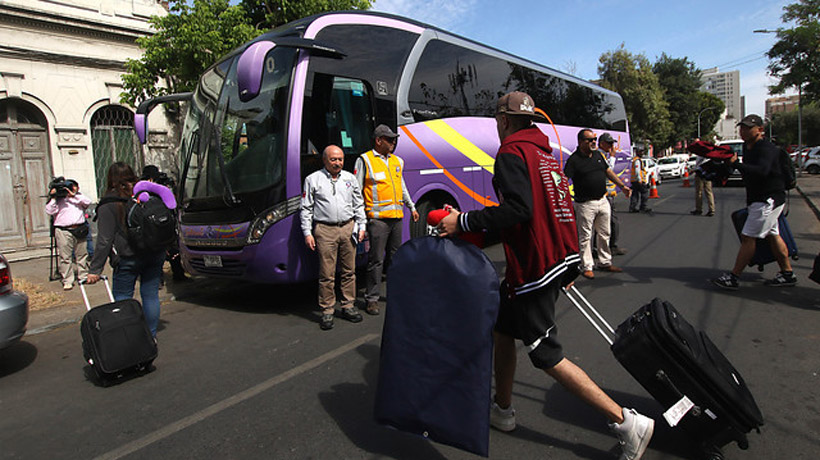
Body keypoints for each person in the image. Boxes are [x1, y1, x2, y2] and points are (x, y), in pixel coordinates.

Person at [438, 91, 654, 460]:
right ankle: (503, 409)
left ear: (504, 120)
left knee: (544, 353)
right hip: (552, 257)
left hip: (536, 266)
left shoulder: (511, 153)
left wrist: (464, 221)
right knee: (503, 331)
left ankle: (626, 422)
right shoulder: (543, 153)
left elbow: (518, 210)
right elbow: (560, 205)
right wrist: (572, 261)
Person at [711, 114, 797, 290]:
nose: (743, 131)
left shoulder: (766, 148)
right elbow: (748, 173)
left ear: (760, 130)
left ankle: (734, 277)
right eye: (742, 128)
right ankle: (787, 273)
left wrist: (737, 164)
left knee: (748, 237)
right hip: (759, 199)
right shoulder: (747, 147)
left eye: (748, 128)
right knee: (773, 235)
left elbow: (761, 171)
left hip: (768, 199)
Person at [86, 162, 167, 338]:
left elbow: (104, 240)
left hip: (127, 257)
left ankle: (129, 338)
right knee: (150, 295)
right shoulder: (144, 195)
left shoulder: (109, 203)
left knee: (123, 298)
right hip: (154, 252)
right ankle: (151, 336)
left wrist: (95, 270)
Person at [354, 124, 419, 315]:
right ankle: (372, 299)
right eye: (389, 139)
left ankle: (395, 294)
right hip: (378, 220)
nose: (393, 143)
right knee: (376, 260)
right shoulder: (365, 160)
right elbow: (356, 191)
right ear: (378, 140)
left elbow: (401, 186)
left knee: (396, 259)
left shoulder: (397, 161)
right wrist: (360, 220)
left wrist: (412, 207)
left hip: (397, 218)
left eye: (394, 139)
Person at [301, 145, 367, 330]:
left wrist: (362, 226)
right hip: (325, 230)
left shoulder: (350, 178)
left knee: (349, 271)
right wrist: (307, 233)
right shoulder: (313, 180)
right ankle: (327, 310)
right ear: (324, 160)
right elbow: (306, 208)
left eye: (340, 159)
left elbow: (358, 204)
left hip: (348, 228)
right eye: (333, 159)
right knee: (326, 274)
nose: (337, 163)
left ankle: (348, 306)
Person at [564, 129, 631, 280]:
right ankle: (587, 266)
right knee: (585, 236)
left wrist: (622, 186)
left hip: (602, 200)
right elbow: (564, 179)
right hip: (585, 204)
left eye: (594, 139)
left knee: (604, 233)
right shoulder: (574, 160)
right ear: (581, 142)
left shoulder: (598, 156)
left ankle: (605, 262)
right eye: (590, 140)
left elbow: (608, 172)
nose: (594, 142)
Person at [141, 165, 188, 282]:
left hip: (163, 222)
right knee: (158, 251)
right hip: (156, 223)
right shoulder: (144, 189)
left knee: (172, 249)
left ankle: (177, 275)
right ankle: (159, 278)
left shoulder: (156, 188)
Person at [45, 179, 91, 290]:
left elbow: (87, 202)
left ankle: (83, 276)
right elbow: (49, 211)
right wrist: (53, 197)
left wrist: (73, 196)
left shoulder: (78, 198)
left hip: (79, 229)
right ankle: (67, 280)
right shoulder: (57, 200)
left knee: (82, 255)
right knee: (65, 257)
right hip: (63, 230)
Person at [599, 133, 627, 256]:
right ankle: (611, 246)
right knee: (611, 222)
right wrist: (613, 157)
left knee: (603, 223)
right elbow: (608, 170)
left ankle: (600, 247)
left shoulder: (603, 155)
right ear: (602, 144)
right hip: (604, 195)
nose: (612, 146)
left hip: (608, 194)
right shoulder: (600, 156)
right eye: (609, 144)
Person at [629, 149, 651, 213]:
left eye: (642, 151)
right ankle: (643, 207)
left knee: (635, 194)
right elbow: (637, 170)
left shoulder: (636, 160)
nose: (642, 153)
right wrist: (639, 179)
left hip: (634, 180)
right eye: (641, 152)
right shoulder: (637, 160)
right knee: (644, 193)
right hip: (638, 180)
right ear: (637, 152)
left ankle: (632, 208)